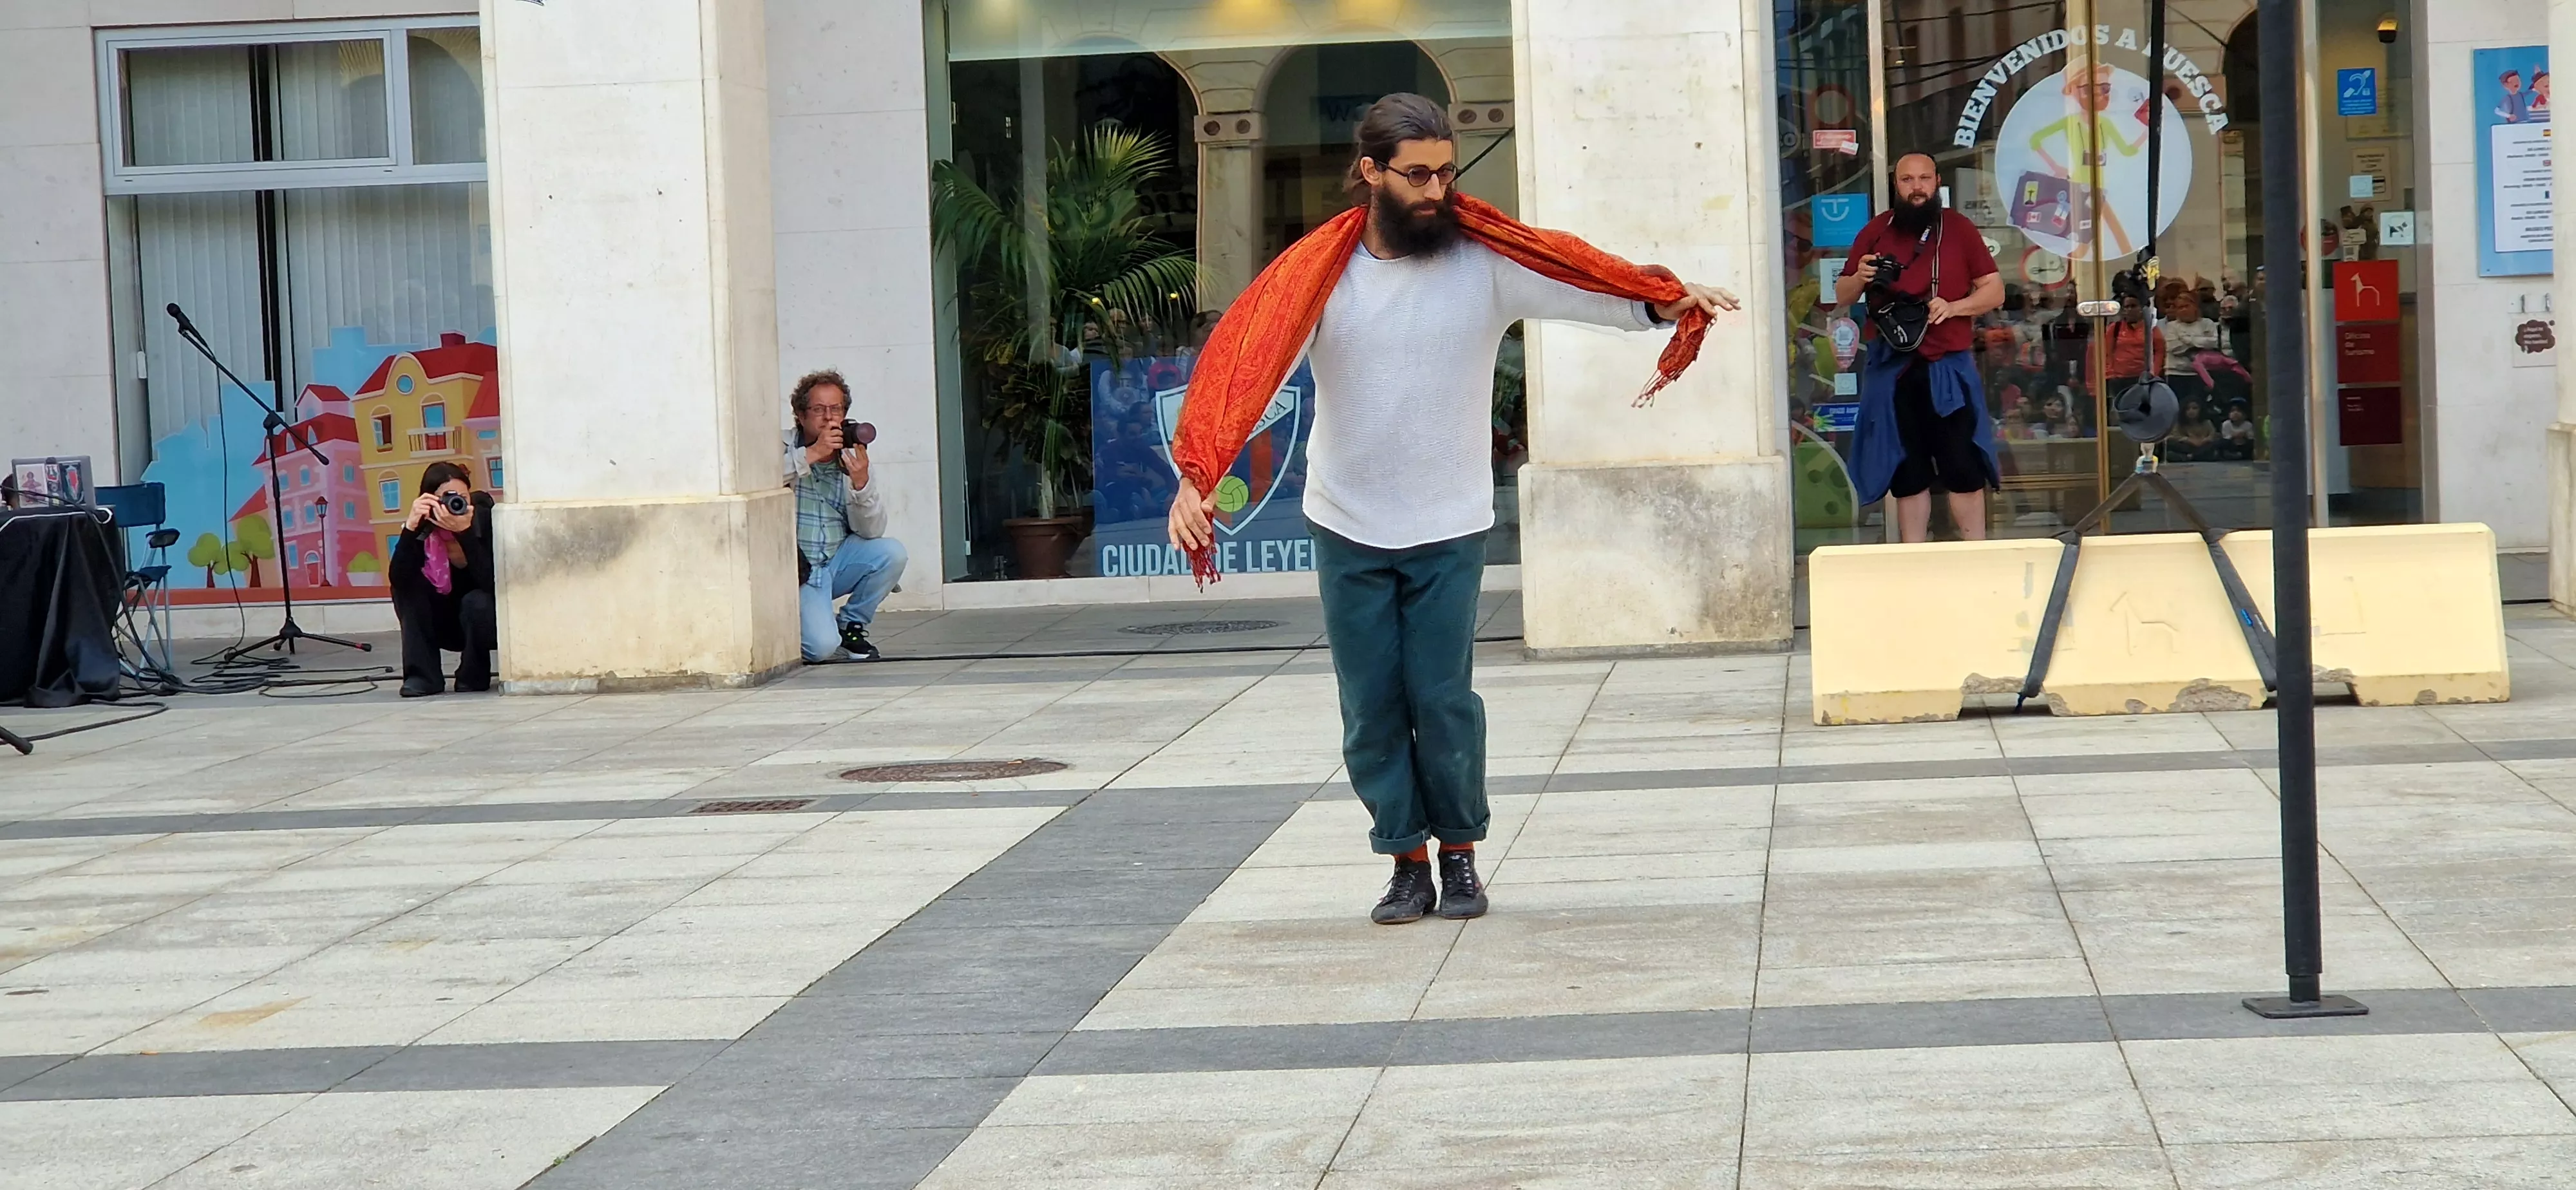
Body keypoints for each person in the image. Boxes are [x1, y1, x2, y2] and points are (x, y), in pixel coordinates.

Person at [1164, 93, 1737, 925]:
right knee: (1372, 708)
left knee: (1442, 698)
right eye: (1418, 174)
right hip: (1347, 520)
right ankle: (1405, 862)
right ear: (1370, 172)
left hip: (1450, 522)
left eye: (1446, 171)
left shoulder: (1484, 260)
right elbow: (1250, 369)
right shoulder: (1319, 276)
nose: (1437, 190)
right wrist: (1199, 474)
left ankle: (1460, 856)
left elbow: (1579, 284)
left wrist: (1663, 300)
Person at [1834, 152, 2005, 542]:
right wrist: (1860, 276)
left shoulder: (1959, 229)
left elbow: (1994, 291)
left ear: (1936, 181)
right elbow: (1842, 294)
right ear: (1896, 184)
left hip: (1948, 367)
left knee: (1963, 467)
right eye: (1908, 180)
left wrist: (1954, 307)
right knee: (1907, 473)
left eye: (1924, 179)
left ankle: (1977, 557)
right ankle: (1914, 558)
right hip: (1892, 370)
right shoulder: (1877, 231)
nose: (1917, 188)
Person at [784, 368, 907, 663]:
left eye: (836, 409)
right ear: (800, 416)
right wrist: (811, 454)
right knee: (821, 650)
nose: (829, 418)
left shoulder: (851, 457)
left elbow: (872, 531)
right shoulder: (781, 447)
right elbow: (758, 478)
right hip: (800, 572)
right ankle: (809, 623)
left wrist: (861, 484)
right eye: (818, 410)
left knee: (891, 552)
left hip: (837, 561)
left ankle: (851, 624)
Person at [389, 460, 495, 698]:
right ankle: (423, 677)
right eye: (447, 497)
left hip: (485, 622)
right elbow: (399, 580)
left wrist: (465, 533)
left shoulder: (485, 521)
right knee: (409, 586)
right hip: (441, 622)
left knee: (477, 600)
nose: (455, 504)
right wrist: (411, 529)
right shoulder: (424, 531)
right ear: (429, 500)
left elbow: (492, 583)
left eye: (462, 497)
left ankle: (474, 674)